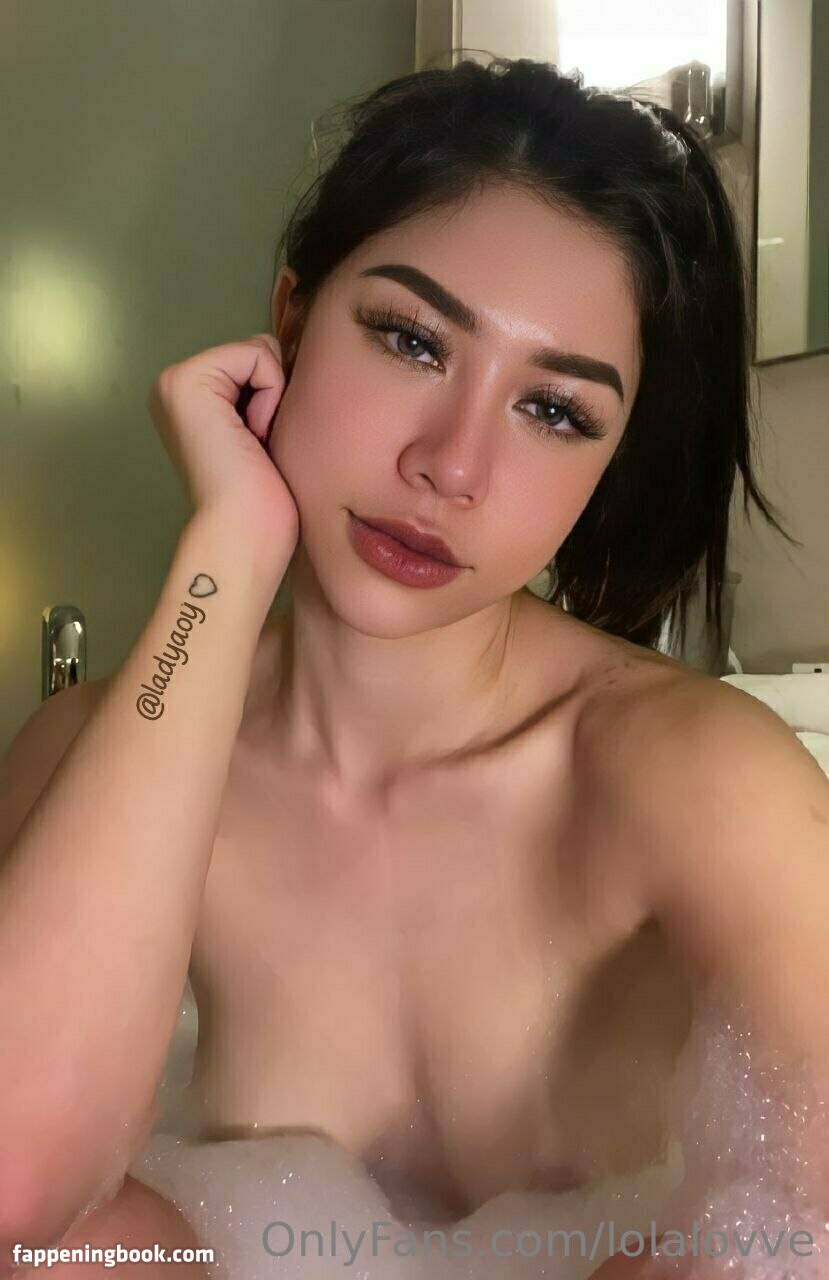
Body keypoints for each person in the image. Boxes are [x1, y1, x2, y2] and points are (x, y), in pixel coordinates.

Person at [1, 54, 828, 1280]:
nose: (452, 465)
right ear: (290, 319)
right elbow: (18, 1195)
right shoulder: (96, 753)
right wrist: (225, 550)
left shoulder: (694, 772)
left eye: (555, 411)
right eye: (409, 339)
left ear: (607, 461)